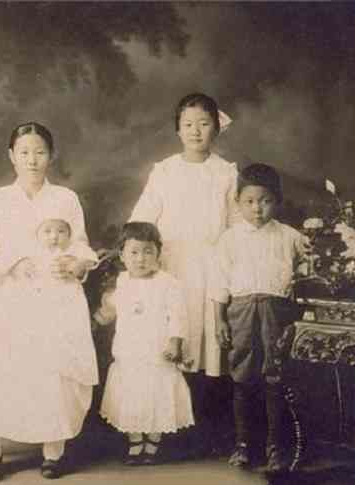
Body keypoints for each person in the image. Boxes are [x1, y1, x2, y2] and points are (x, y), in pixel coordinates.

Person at [0, 122, 98, 481]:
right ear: (11, 156)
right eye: (24, 152)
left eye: (40, 152)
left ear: (51, 156)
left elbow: (80, 244)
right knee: (0, 359)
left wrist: (77, 263)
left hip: (55, 292)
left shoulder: (65, 198)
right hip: (7, 292)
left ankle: (53, 449)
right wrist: (11, 263)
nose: (32, 160)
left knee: (54, 360)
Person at [129, 93, 238, 452]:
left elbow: (236, 225)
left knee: (209, 344)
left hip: (211, 267)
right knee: (172, 338)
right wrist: (136, 254)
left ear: (216, 128)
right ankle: (166, 426)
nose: (196, 131)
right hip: (172, 266)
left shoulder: (226, 172)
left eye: (204, 124)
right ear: (178, 129)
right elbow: (143, 217)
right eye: (188, 124)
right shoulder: (164, 170)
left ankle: (206, 430)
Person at [211, 163, 308, 473]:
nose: (257, 209)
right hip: (240, 312)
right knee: (242, 378)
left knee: (274, 377)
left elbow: (308, 272)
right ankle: (243, 444)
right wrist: (220, 320)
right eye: (250, 201)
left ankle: (275, 446)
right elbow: (219, 283)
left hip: (277, 313)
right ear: (238, 202)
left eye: (265, 201)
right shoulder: (229, 239)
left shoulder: (290, 236)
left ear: (276, 201)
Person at [94, 222, 194, 465]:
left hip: (157, 353)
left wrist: (174, 342)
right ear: (123, 255)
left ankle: (153, 442)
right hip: (130, 353)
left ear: (158, 253)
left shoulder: (167, 283)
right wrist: (96, 319)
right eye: (134, 252)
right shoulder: (122, 281)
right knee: (132, 397)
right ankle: (136, 440)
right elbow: (110, 309)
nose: (141, 259)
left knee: (156, 396)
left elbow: (178, 315)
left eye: (148, 251)